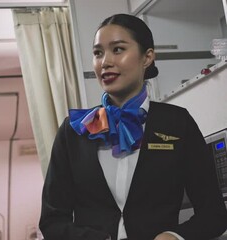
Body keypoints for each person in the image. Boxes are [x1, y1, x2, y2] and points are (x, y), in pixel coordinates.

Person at [39, 13, 227, 240]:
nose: (105, 62)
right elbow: (52, 221)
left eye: (118, 49)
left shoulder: (177, 123)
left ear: (147, 57)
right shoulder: (75, 130)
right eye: (98, 53)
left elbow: (214, 214)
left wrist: (174, 236)